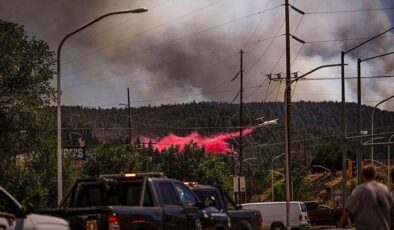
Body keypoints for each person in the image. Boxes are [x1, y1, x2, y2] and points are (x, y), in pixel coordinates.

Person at [339, 165, 394, 230]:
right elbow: (392, 211)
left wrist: (341, 226)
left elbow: (346, 213)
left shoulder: (359, 190)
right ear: (374, 175)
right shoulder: (385, 189)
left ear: (363, 175)